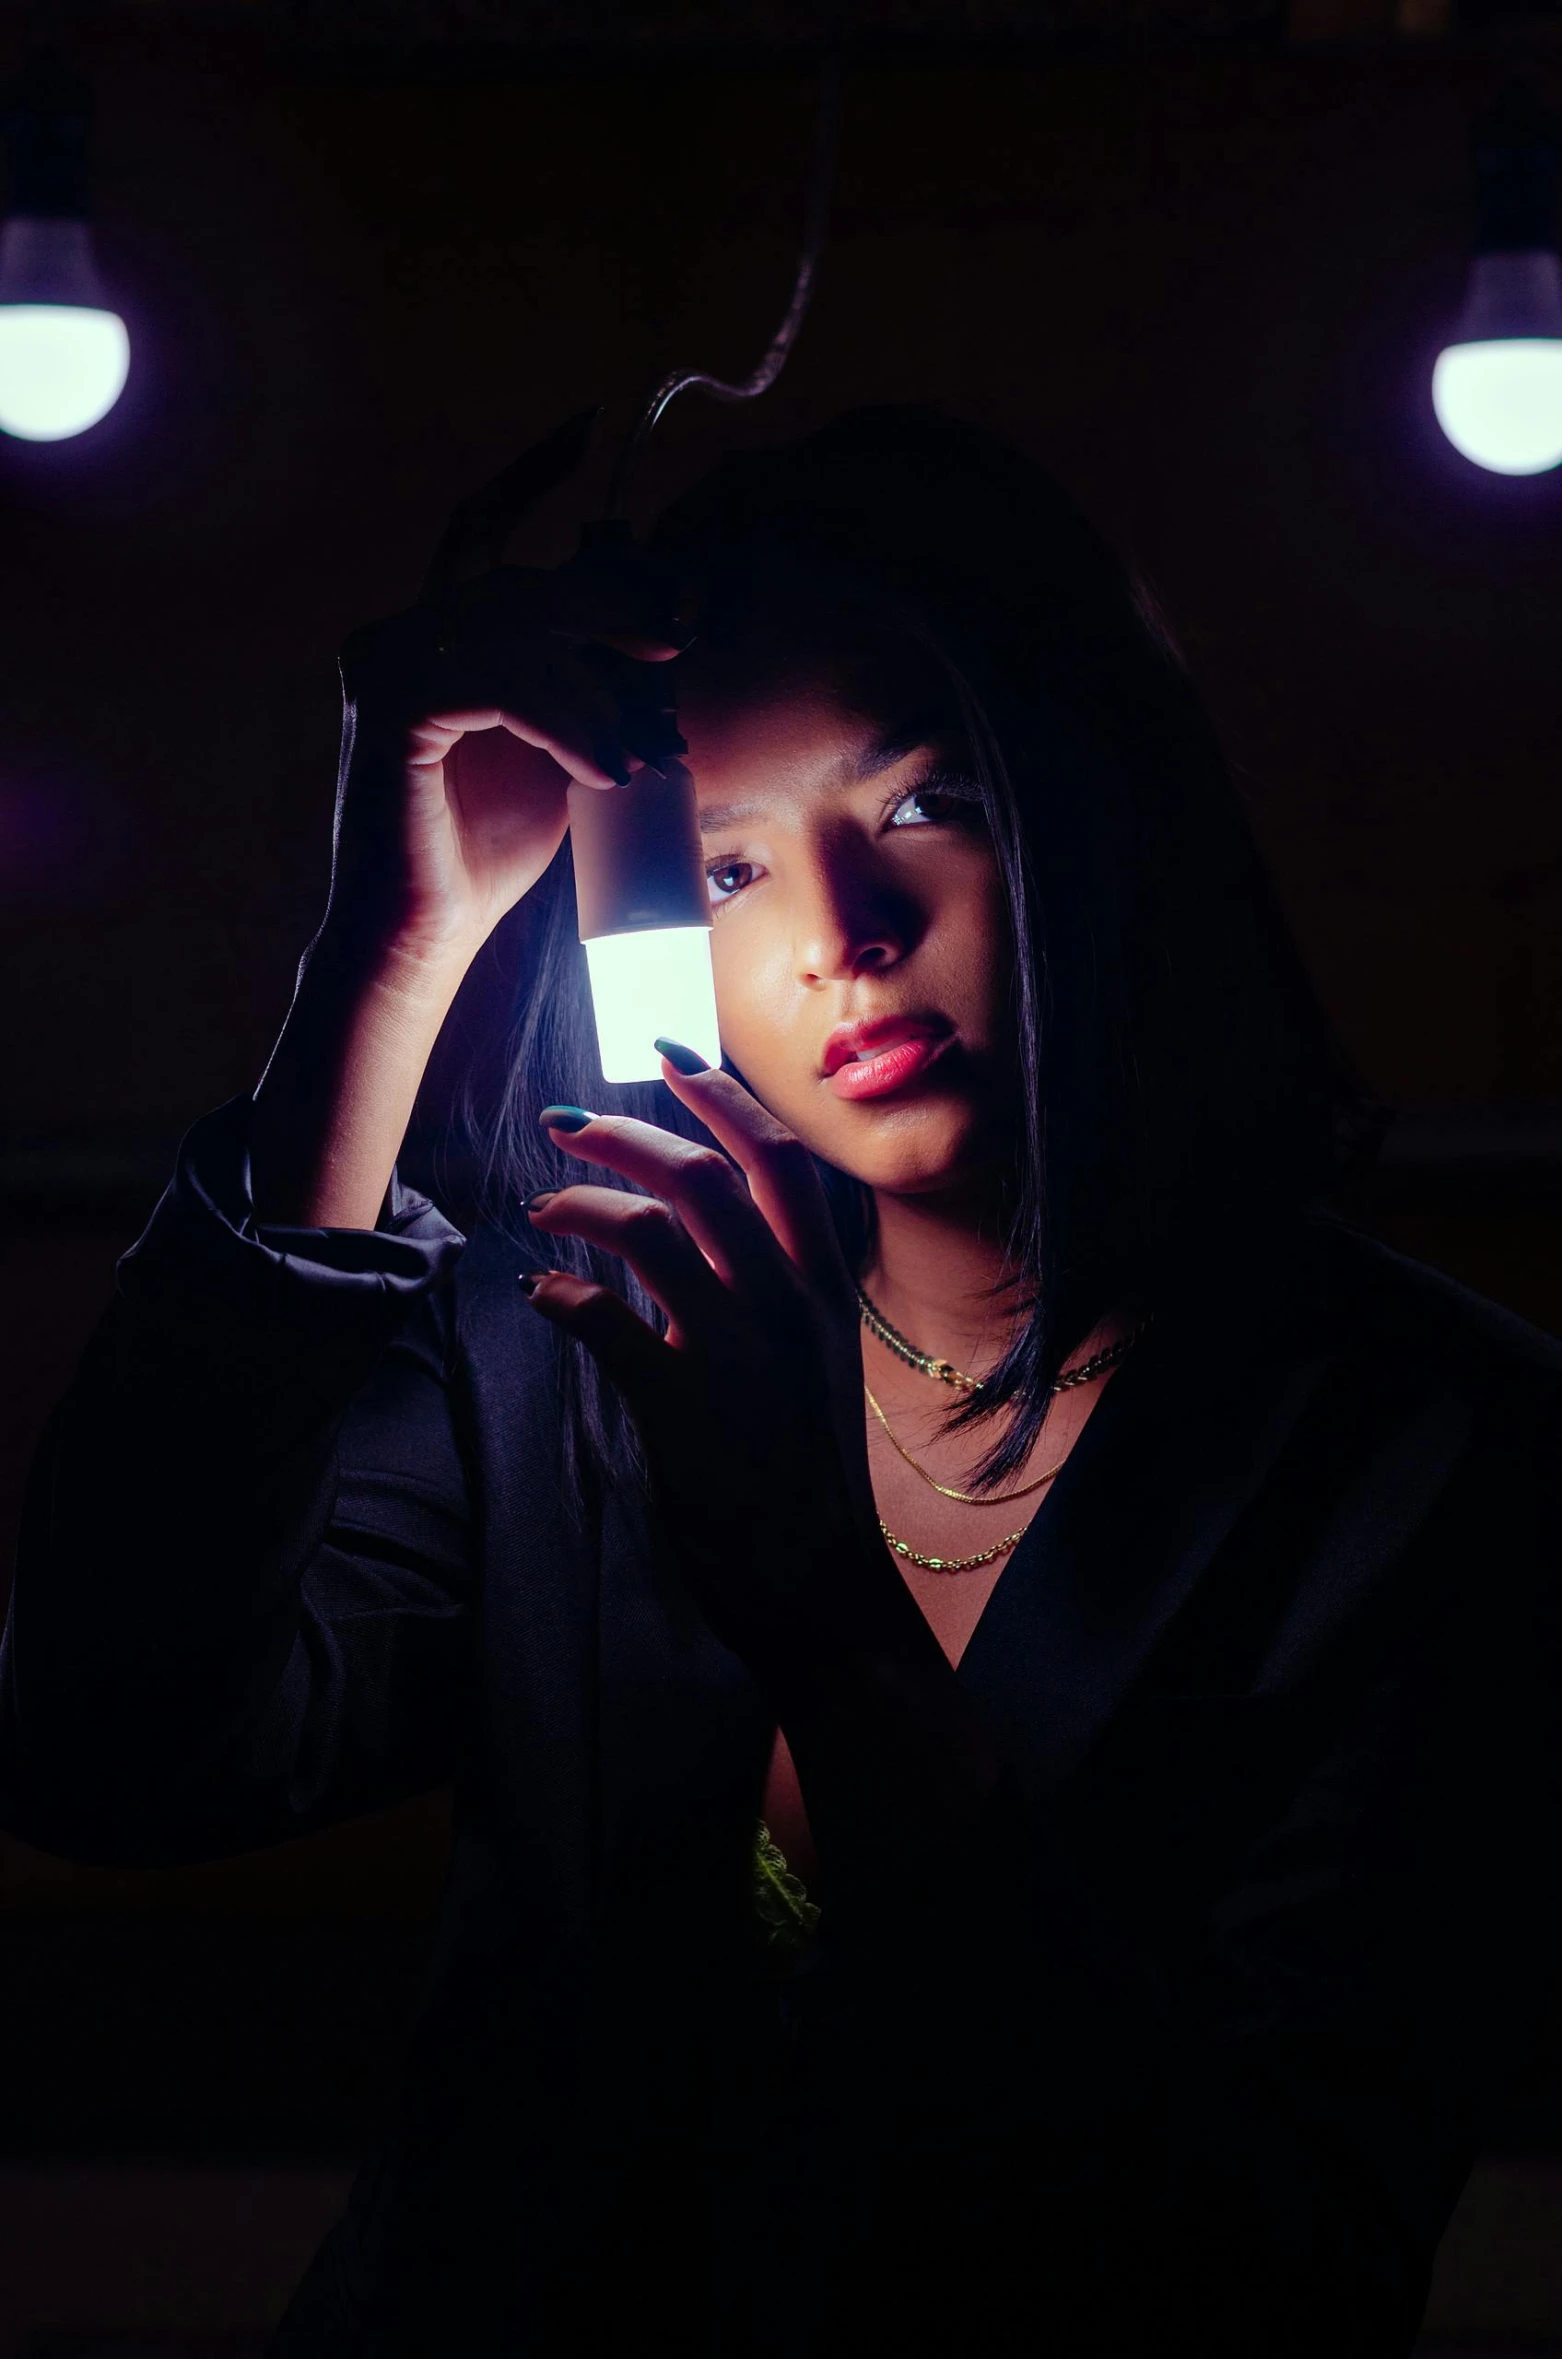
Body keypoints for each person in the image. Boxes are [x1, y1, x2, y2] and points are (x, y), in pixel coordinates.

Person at [2, 406, 1558, 2358]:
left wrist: (825, 1609)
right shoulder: (565, 1340)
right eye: (726, 872)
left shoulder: (1443, 1467)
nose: (843, 940)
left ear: (1088, 796)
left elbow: (1257, 2279)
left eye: (919, 806)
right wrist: (381, 965)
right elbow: (111, 1750)